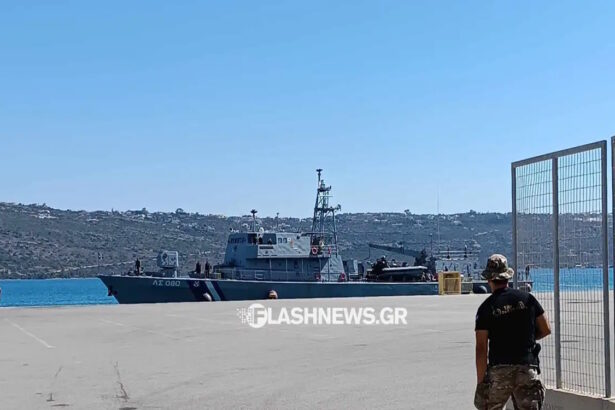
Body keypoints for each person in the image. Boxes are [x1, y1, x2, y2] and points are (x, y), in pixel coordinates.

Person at [474, 254, 551, 410]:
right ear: (507, 277)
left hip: (499, 370)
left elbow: (481, 348)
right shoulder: (528, 299)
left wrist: (481, 383)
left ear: (489, 280)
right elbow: (546, 329)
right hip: (526, 367)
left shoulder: (486, 308)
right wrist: (527, 339)